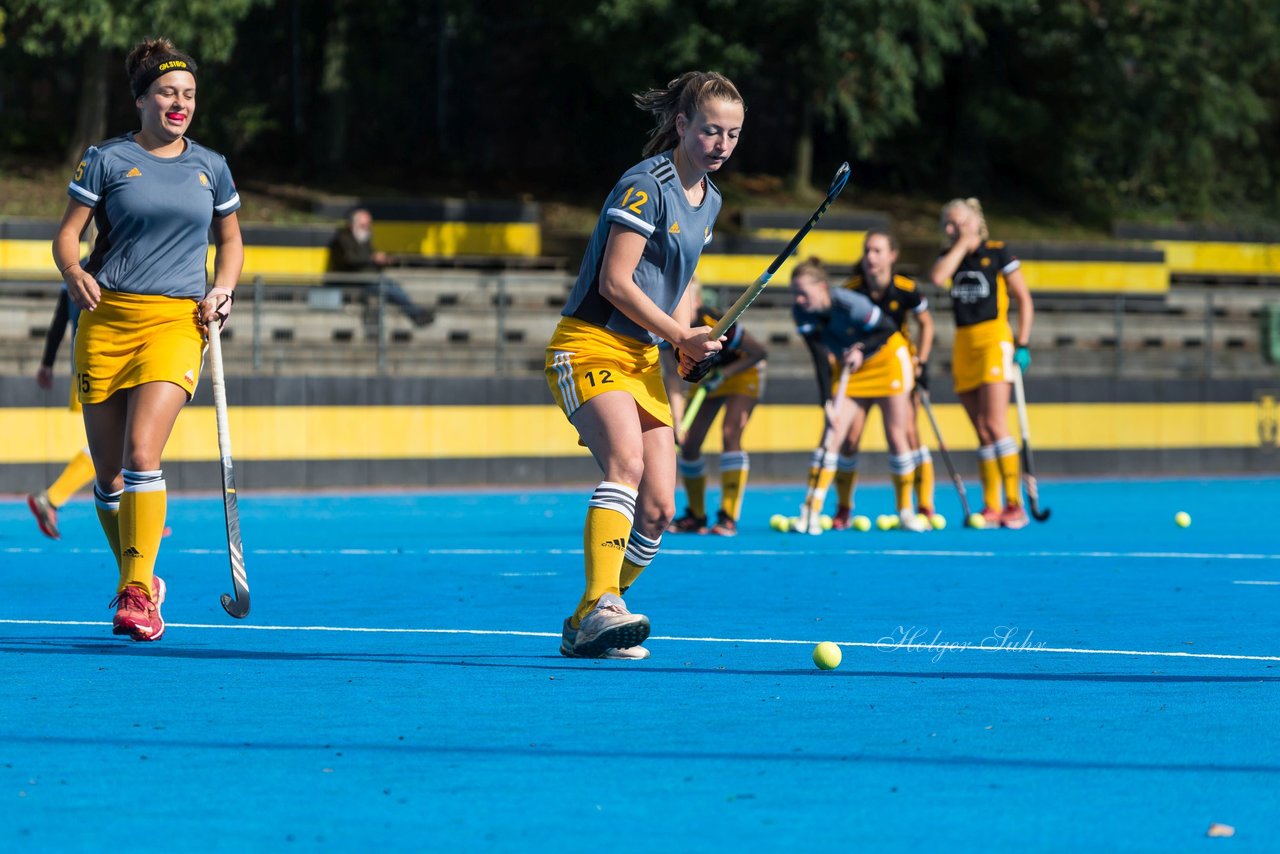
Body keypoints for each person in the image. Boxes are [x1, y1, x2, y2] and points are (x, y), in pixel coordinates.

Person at [545, 71, 743, 659]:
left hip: (641, 358)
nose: (722, 145)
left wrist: (689, 341)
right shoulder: (644, 185)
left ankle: (589, 616)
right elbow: (615, 280)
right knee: (625, 463)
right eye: (711, 131)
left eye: (733, 135)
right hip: (588, 345)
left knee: (658, 509)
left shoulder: (711, 200)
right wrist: (678, 333)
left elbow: (681, 282)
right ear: (682, 125)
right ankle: (607, 605)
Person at [53, 37, 244, 641]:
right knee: (107, 475)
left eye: (188, 94)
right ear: (141, 99)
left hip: (175, 322)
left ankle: (136, 593)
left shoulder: (211, 167)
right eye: (167, 91)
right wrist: (74, 270)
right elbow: (67, 236)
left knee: (141, 455)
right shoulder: (105, 160)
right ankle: (139, 578)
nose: (179, 102)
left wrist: (224, 289)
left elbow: (231, 242)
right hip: (107, 320)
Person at [791, 257, 932, 532]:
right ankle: (810, 511)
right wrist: (827, 401)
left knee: (896, 435)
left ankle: (906, 511)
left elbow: (888, 329)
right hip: (853, 370)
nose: (798, 299)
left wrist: (861, 349)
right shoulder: (802, 313)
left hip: (888, 360)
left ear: (821, 287)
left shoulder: (849, 303)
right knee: (832, 436)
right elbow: (819, 357)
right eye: (794, 293)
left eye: (803, 293)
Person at [928, 197, 1035, 529]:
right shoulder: (952, 257)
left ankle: (1014, 504)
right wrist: (961, 243)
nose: (952, 228)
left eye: (958, 222)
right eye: (948, 223)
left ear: (975, 221)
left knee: (994, 423)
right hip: (964, 343)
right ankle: (991, 505)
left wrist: (1022, 342)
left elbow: (1023, 299)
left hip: (993, 340)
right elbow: (937, 277)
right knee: (981, 430)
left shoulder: (999, 251)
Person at [821, 230, 937, 529]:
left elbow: (926, 324)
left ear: (892, 256)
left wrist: (921, 362)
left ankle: (920, 505)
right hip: (861, 370)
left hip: (896, 368)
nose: (870, 257)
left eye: (877, 251)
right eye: (867, 251)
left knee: (907, 435)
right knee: (849, 439)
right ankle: (843, 508)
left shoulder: (906, 289)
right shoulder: (852, 289)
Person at [664, 279, 768, 536]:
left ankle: (728, 516)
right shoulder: (666, 328)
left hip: (743, 374)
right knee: (688, 444)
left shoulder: (716, 321)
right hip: (710, 379)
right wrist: (678, 421)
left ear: (696, 302)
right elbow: (673, 379)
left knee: (730, 433)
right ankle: (697, 516)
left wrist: (725, 374)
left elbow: (758, 352)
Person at [26, 287, 95, 540]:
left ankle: (139, 518)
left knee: (116, 447)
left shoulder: (76, 268)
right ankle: (51, 498)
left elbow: (58, 323)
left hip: (83, 367)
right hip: (110, 366)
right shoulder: (116, 260)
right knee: (116, 447)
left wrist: (47, 363)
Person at [328, 208, 434, 326]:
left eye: (369, 224)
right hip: (353, 280)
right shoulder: (343, 239)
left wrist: (382, 261)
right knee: (390, 289)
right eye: (364, 224)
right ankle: (416, 314)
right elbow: (350, 259)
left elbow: (367, 259)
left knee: (393, 287)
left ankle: (416, 313)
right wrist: (372, 258)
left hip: (368, 278)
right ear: (354, 224)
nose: (368, 227)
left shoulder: (364, 238)